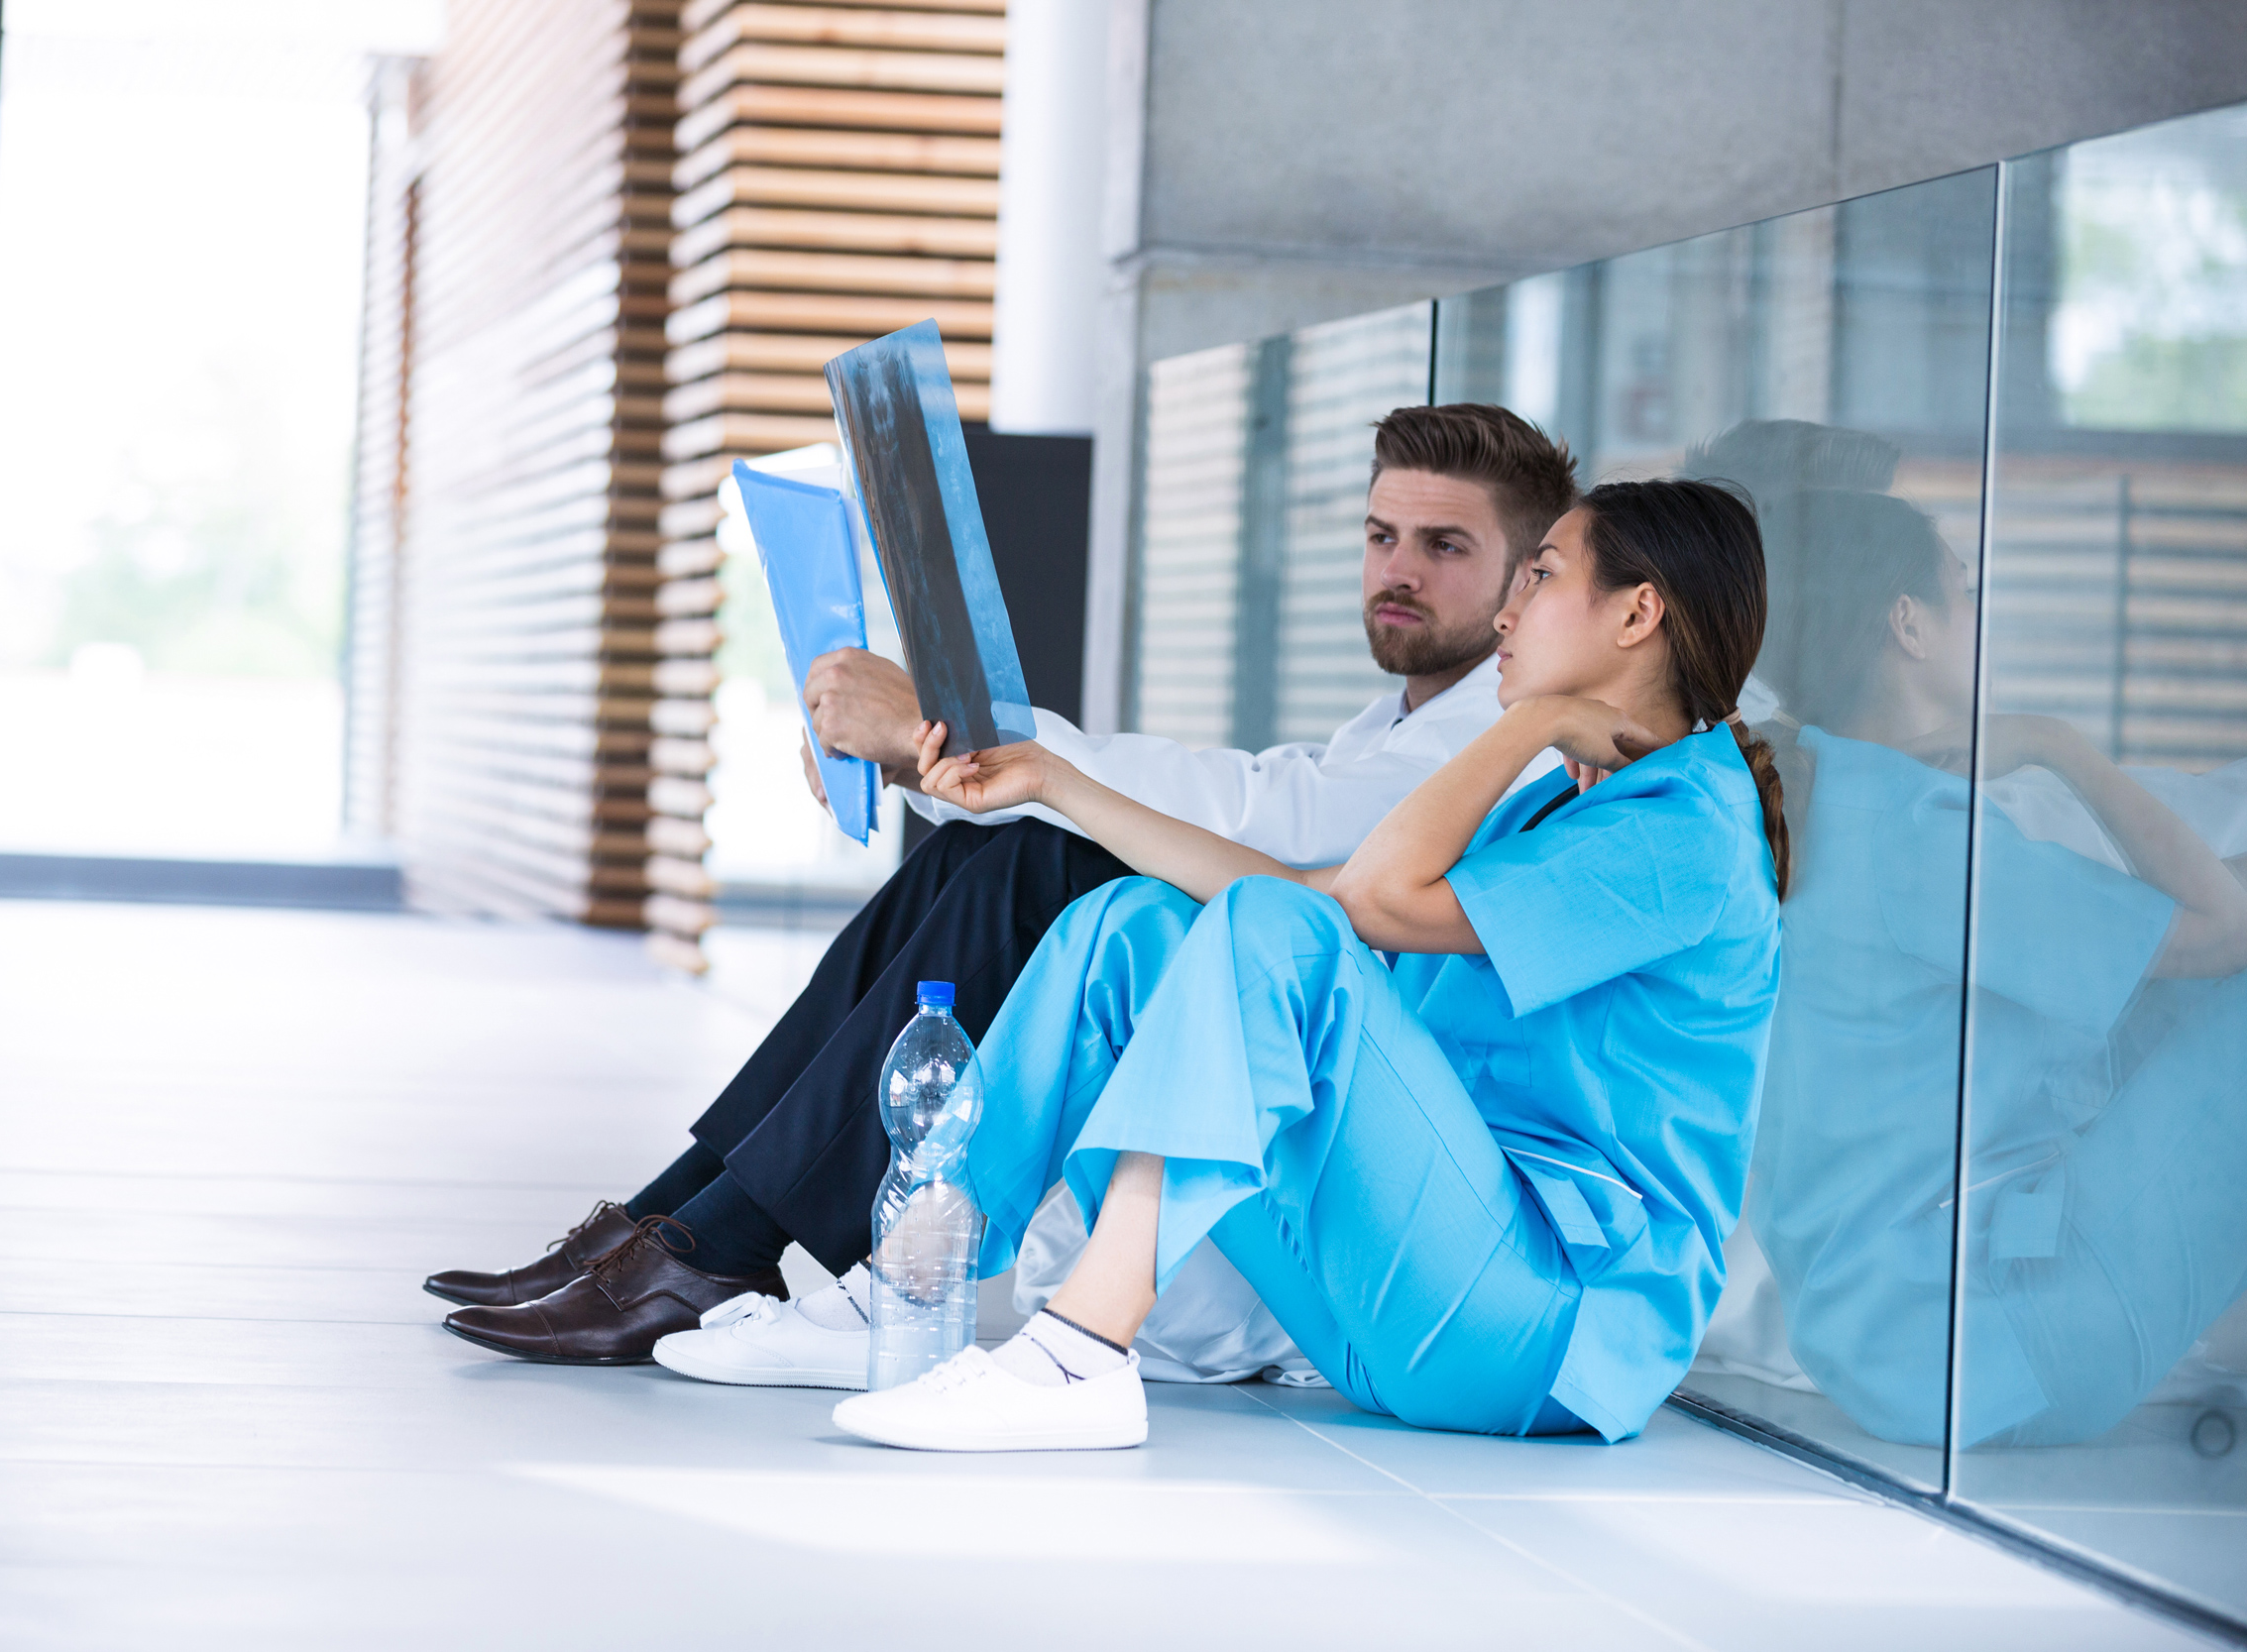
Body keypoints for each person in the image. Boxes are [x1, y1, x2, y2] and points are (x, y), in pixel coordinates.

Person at [427, 403, 1582, 1372]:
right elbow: (1253, 794)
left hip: (1342, 1180)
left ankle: (725, 1239)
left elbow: (1251, 821)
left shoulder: (1503, 740)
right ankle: (680, 1221)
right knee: (980, 857)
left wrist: (960, 732)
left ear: (1528, 578)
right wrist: (949, 761)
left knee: (1043, 860)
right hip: (1277, 1093)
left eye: (1443, 547)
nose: (1397, 571)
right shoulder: (1401, 719)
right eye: (1382, 535)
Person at [827, 477, 1788, 1451]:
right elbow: (1308, 897)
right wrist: (1057, 784)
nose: (1506, 608)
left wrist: (1529, 722)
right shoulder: (1555, 809)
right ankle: (903, 1293)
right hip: (1398, 1302)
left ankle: (1080, 1352)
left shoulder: (1685, 824)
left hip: (1541, 1323)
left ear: (1637, 612)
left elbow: (1359, 903)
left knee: (1262, 925)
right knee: (1132, 924)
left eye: (1539, 575)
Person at [1738, 486, 2247, 1448]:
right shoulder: (1918, 834)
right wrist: (2054, 744)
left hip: (1877, 1339)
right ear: (1907, 623)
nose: (1980, 617)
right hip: (1998, 1345)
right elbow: (2225, 929)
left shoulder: (1817, 792)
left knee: (2153, 999)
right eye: (1963, 592)